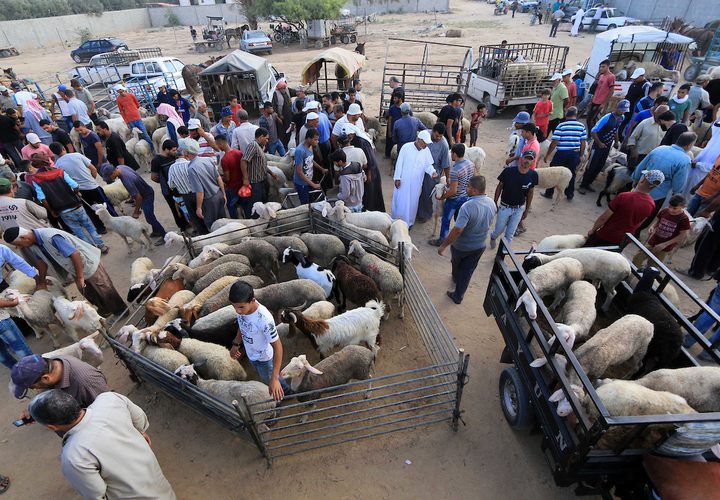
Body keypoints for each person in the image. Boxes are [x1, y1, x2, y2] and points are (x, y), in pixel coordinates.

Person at [28, 390, 175, 499]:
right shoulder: (109, 399)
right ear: (71, 400)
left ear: (52, 427)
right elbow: (139, 418)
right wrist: (141, 433)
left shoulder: (73, 456)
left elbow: (96, 494)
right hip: (157, 480)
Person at [4, 226, 125, 316]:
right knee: (87, 291)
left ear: (24, 237)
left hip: (86, 263)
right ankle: (105, 309)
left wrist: (80, 277)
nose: (20, 247)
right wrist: (41, 282)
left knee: (104, 288)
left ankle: (121, 311)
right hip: (74, 267)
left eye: (19, 244)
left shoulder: (51, 237)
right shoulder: (33, 244)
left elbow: (75, 254)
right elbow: (41, 263)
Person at [30, 154, 107, 251]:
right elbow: (75, 185)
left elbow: (42, 198)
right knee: (89, 226)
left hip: (62, 211)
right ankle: (102, 246)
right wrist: (76, 193)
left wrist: (51, 210)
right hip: (76, 205)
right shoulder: (60, 172)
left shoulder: (36, 179)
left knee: (78, 232)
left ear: (36, 165)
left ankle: (91, 249)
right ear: (48, 160)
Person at [438, 175, 496, 304]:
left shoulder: (467, 207)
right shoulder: (492, 203)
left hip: (462, 246)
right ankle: (458, 296)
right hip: (480, 245)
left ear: (475, 190)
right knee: (468, 271)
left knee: (456, 264)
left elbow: (458, 230)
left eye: (468, 186)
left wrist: (444, 245)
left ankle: (455, 278)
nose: (466, 188)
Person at [229, 281, 290, 401]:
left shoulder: (264, 320)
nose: (237, 311)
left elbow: (278, 348)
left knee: (270, 380)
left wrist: (274, 379)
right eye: (234, 306)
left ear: (252, 300)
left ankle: (284, 394)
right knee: (268, 378)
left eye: (240, 307)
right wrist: (236, 343)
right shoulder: (243, 310)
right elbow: (242, 325)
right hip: (253, 355)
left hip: (264, 360)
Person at [630, 132, 695, 232]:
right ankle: (636, 232)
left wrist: (635, 179)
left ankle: (626, 227)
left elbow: (641, 166)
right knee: (648, 214)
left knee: (632, 208)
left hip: (641, 185)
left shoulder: (660, 148)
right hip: (658, 194)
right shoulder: (685, 160)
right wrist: (677, 193)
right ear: (689, 145)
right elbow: (679, 182)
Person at [584, 170, 663, 247]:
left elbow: (604, 218)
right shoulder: (651, 204)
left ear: (642, 180)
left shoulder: (624, 196)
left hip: (606, 235)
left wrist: (593, 230)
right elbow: (639, 223)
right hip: (623, 240)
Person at [50, 142, 114, 234]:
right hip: (93, 186)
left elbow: (64, 181)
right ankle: (115, 220)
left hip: (79, 191)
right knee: (106, 203)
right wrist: (92, 179)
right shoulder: (77, 155)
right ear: (63, 148)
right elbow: (93, 169)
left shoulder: (57, 166)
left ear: (54, 153)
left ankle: (100, 228)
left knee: (90, 210)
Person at [10, 353, 109, 410]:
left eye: (33, 387)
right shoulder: (52, 364)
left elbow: (108, 411)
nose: (36, 389)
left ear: (46, 378)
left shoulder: (87, 382)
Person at [101, 163, 167, 242]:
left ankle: (165, 236)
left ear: (113, 173)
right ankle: (156, 231)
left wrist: (136, 212)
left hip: (146, 195)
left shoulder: (126, 180)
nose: (109, 179)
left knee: (150, 218)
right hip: (145, 191)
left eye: (109, 177)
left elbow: (138, 198)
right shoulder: (120, 167)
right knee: (149, 214)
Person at [490, 150, 539, 248]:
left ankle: (501, 256)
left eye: (530, 159)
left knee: (509, 235)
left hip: (518, 209)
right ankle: (493, 237)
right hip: (505, 207)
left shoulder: (533, 175)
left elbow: (530, 192)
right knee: (499, 230)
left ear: (533, 162)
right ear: (521, 158)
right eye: (526, 158)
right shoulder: (509, 171)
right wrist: (495, 202)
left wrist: (526, 209)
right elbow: (500, 186)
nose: (527, 161)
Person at [579, 99, 629, 194]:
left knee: (600, 166)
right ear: (617, 108)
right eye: (622, 110)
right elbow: (594, 131)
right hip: (598, 146)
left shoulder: (621, 117)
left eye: (624, 110)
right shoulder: (607, 117)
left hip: (608, 145)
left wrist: (617, 141)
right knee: (591, 165)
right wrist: (599, 143)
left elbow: (616, 129)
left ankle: (589, 183)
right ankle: (583, 185)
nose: (623, 112)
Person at [0, 245, 38, 369]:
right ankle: (35, 373)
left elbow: (18, 262)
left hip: (2, 287)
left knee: (3, 355)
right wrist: (11, 303)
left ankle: (21, 375)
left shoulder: (1, 249)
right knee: (19, 347)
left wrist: (35, 276)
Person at [430, 143, 475, 246]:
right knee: (461, 219)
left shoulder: (455, 170)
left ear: (454, 154)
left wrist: (442, 197)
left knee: (446, 220)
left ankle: (442, 240)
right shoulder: (470, 164)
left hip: (454, 199)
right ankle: (462, 239)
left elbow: (453, 191)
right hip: (466, 197)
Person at [177, 138, 226, 232]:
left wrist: (198, 208)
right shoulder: (207, 160)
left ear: (186, 152)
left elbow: (200, 191)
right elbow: (218, 178)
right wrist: (223, 193)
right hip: (218, 195)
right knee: (222, 224)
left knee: (213, 228)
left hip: (209, 201)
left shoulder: (192, 168)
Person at [391, 130, 438, 227]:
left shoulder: (426, 151)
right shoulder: (406, 147)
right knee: (401, 201)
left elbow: (427, 165)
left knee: (413, 202)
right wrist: (397, 178)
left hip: (416, 183)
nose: (426, 145)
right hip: (403, 181)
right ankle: (397, 223)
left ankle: (409, 223)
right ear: (419, 140)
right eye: (425, 143)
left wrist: (432, 172)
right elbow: (399, 163)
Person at [541, 106, 586, 201]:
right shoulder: (581, 126)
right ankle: (570, 194)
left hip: (562, 153)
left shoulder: (561, 126)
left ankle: (549, 193)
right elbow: (583, 142)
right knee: (571, 174)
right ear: (576, 115)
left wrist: (548, 154)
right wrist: (581, 155)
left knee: (554, 172)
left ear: (566, 115)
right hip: (574, 154)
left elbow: (554, 142)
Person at [632, 194, 690, 267]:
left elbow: (682, 236)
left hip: (664, 248)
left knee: (652, 265)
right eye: (669, 206)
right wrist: (652, 227)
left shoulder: (683, 219)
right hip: (653, 241)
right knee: (637, 258)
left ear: (683, 207)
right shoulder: (664, 211)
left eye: (674, 208)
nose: (671, 210)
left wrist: (665, 244)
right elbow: (657, 221)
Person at [150, 139, 188, 231]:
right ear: (166, 150)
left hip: (179, 188)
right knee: (175, 209)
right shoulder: (156, 160)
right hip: (168, 191)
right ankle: (182, 227)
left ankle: (188, 222)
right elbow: (153, 177)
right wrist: (164, 182)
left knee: (184, 206)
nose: (175, 152)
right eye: (173, 150)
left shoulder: (173, 156)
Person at [418, 123, 452, 222]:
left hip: (433, 172)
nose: (438, 138)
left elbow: (446, 164)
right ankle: (415, 210)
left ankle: (425, 214)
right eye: (437, 135)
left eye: (441, 136)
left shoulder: (444, 145)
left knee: (427, 193)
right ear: (432, 131)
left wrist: (448, 178)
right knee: (417, 190)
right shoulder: (424, 136)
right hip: (419, 168)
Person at [169, 143, 205, 234]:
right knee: (204, 213)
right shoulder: (190, 163)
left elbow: (171, 185)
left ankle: (202, 235)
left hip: (186, 197)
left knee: (195, 218)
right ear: (185, 155)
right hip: (198, 193)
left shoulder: (171, 168)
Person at [216, 134, 244, 218]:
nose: (217, 147)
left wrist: (220, 178)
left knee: (231, 207)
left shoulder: (224, 159)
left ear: (221, 144)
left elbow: (227, 178)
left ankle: (236, 223)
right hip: (242, 184)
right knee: (244, 205)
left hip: (232, 187)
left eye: (217, 144)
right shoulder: (239, 153)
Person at [294, 128, 324, 204]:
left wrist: (321, 169)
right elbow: (299, 171)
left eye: (317, 139)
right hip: (302, 183)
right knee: (305, 205)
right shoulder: (300, 151)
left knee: (311, 201)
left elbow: (310, 159)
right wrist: (313, 184)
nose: (317, 142)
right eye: (315, 139)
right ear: (308, 139)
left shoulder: (310, 147)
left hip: (308, 181)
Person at [587, 60, 616, 129]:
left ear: (608, 66)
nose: (601, 68)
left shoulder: (611, 77)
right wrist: (592, 100)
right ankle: (592, 134)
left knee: (590, 120)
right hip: (594, 101)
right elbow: (597, 89)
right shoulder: (601, 76)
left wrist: (604, 103)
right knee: (591, 119)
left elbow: (611, 91)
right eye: (600, 67)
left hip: (600, 102)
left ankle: (591, 135)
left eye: (603, 67)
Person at [272, 79, 293, 148]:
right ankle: (284, 145)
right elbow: (274, 107)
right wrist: (278, 116)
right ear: (279, 89)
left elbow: (294, 92)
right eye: (282, 88)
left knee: (289, 129)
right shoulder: (276, 94)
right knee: (282, 132)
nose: (284, 89)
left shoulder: (287, 90)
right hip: (281, 117)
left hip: (289, 116)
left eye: (284, 88)